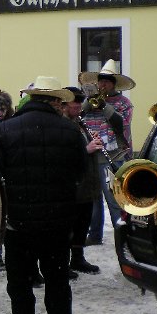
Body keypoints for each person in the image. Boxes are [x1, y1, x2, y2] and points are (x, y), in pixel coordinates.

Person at [0, 76, 87, 314]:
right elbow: (80, 171)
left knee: (20, 287)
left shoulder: (5, 129)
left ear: (31, 98)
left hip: (18, 225)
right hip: (57, 225)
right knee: (57, 284)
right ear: (56, 101)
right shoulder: (70, 130)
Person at [81, 59, 134, 243]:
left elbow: (122, 125)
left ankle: (122, 235)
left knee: (113, 199)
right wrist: (90, 101)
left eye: (106, 81)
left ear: (113, 84)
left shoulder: (124, 103)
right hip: (92, 153)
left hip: (113, 156)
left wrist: (104, 105)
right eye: (100, 80)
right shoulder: (89, 100)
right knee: (94, 198)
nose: (102, 84)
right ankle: (95, 234)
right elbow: (79, 116)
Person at [62, 87, 103, 275]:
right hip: (73, 185)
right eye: (75, 102)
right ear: (64, 105)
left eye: (80, 101)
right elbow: (64, 154)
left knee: (82, 224)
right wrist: (87, 149)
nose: (79, 105)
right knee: (70, 225)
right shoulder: (62, 125)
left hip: (87, 183)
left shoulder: (79, 123)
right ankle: (64, 261)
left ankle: (77, 258)